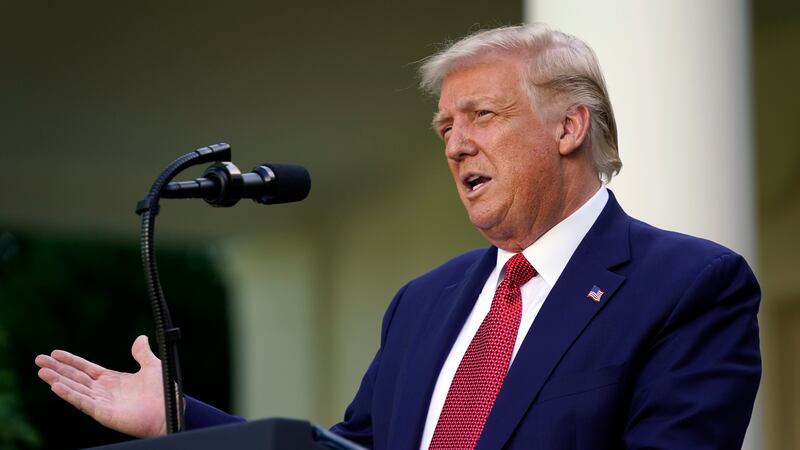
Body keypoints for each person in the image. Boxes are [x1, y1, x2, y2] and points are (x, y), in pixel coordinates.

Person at [35, 24, 761, 450]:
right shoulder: (425, 301)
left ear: (569, 127)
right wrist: (180, 417)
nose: (455, 145)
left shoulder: (690, 285)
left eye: (482, 116)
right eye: (446, 126)